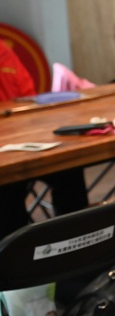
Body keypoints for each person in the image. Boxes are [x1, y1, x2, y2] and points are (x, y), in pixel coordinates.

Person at [0, 40, 88, 240]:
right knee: (7, 185)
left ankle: (76, 241)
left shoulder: (3, 50)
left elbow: (27, 94)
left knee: (68, 165)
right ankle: (15, 254)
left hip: (20, 137)